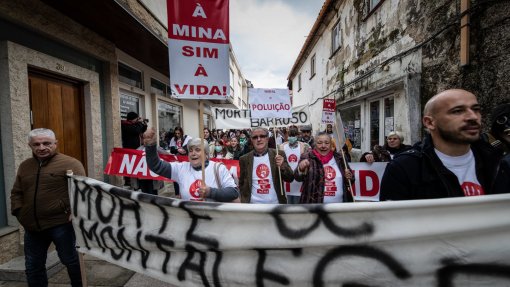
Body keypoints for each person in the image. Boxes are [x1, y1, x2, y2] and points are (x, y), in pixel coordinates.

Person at [380, 89, 504, 200]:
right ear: (429, 122)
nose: (473, 117)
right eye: (457, 111)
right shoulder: (405, 168)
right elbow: (392, 221)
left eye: (476, 109)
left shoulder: (498, 160)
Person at [10, 128, 85, 287]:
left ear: (55, 144)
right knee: (33, 266)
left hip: (61, 224)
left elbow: (83, 192)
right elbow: (17, 192)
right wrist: (19, 212)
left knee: (71, 261)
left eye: (46, 143)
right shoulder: (25, 166)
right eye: (36, 144)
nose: (42, 147)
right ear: (30, 145)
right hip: (32, 227)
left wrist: (76, 211)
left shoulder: (71, 163)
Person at [144, 127, 239, 202]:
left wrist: (210, 192)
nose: (193, 153)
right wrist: (150, 146)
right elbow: (156, 166)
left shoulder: (219, 168)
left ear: (206, 155)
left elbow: (233, 193)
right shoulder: (181, 168)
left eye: (197, 150)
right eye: (190, 150)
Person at [294, 132, 354, 203]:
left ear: (331, 144)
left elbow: (350, 180)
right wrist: (301, 169)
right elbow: (297, 177)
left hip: (339, 207)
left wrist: (349, 177)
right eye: (319, 143)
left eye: (327, 143)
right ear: (315, 144)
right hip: (314, 207)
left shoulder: (340, 158)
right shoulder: (308, 157)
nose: (323, 146)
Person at [239, 127, 294, 204]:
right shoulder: (244, 159)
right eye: (255, 137)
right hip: (252, 206)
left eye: (262, 136)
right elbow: (241, 183)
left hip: (275, 204)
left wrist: (282, 166)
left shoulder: (278, 154)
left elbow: (290, 178)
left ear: (267, 138)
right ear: (251, 140)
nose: (259, 139)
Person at [279, 126, 310, 204]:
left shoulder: (305, 146)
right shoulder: (281, 147)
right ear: (286, 135)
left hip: (300, 182)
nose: (292, 137)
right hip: (286, 182)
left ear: (298, 135)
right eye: (290, 135)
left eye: (294, 135)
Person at [121, 111, 148, 187]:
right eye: (136, 119)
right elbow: (136, 130)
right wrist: (139, 122)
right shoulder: (125, 125)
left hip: (136, 148)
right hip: (129, 148)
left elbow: (142, 130)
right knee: (128, 165)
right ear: (132, 119)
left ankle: (135, 180)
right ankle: (128, 181)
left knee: (135, 165)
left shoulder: (134, 125)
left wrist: (144, 124)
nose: (137, 120)